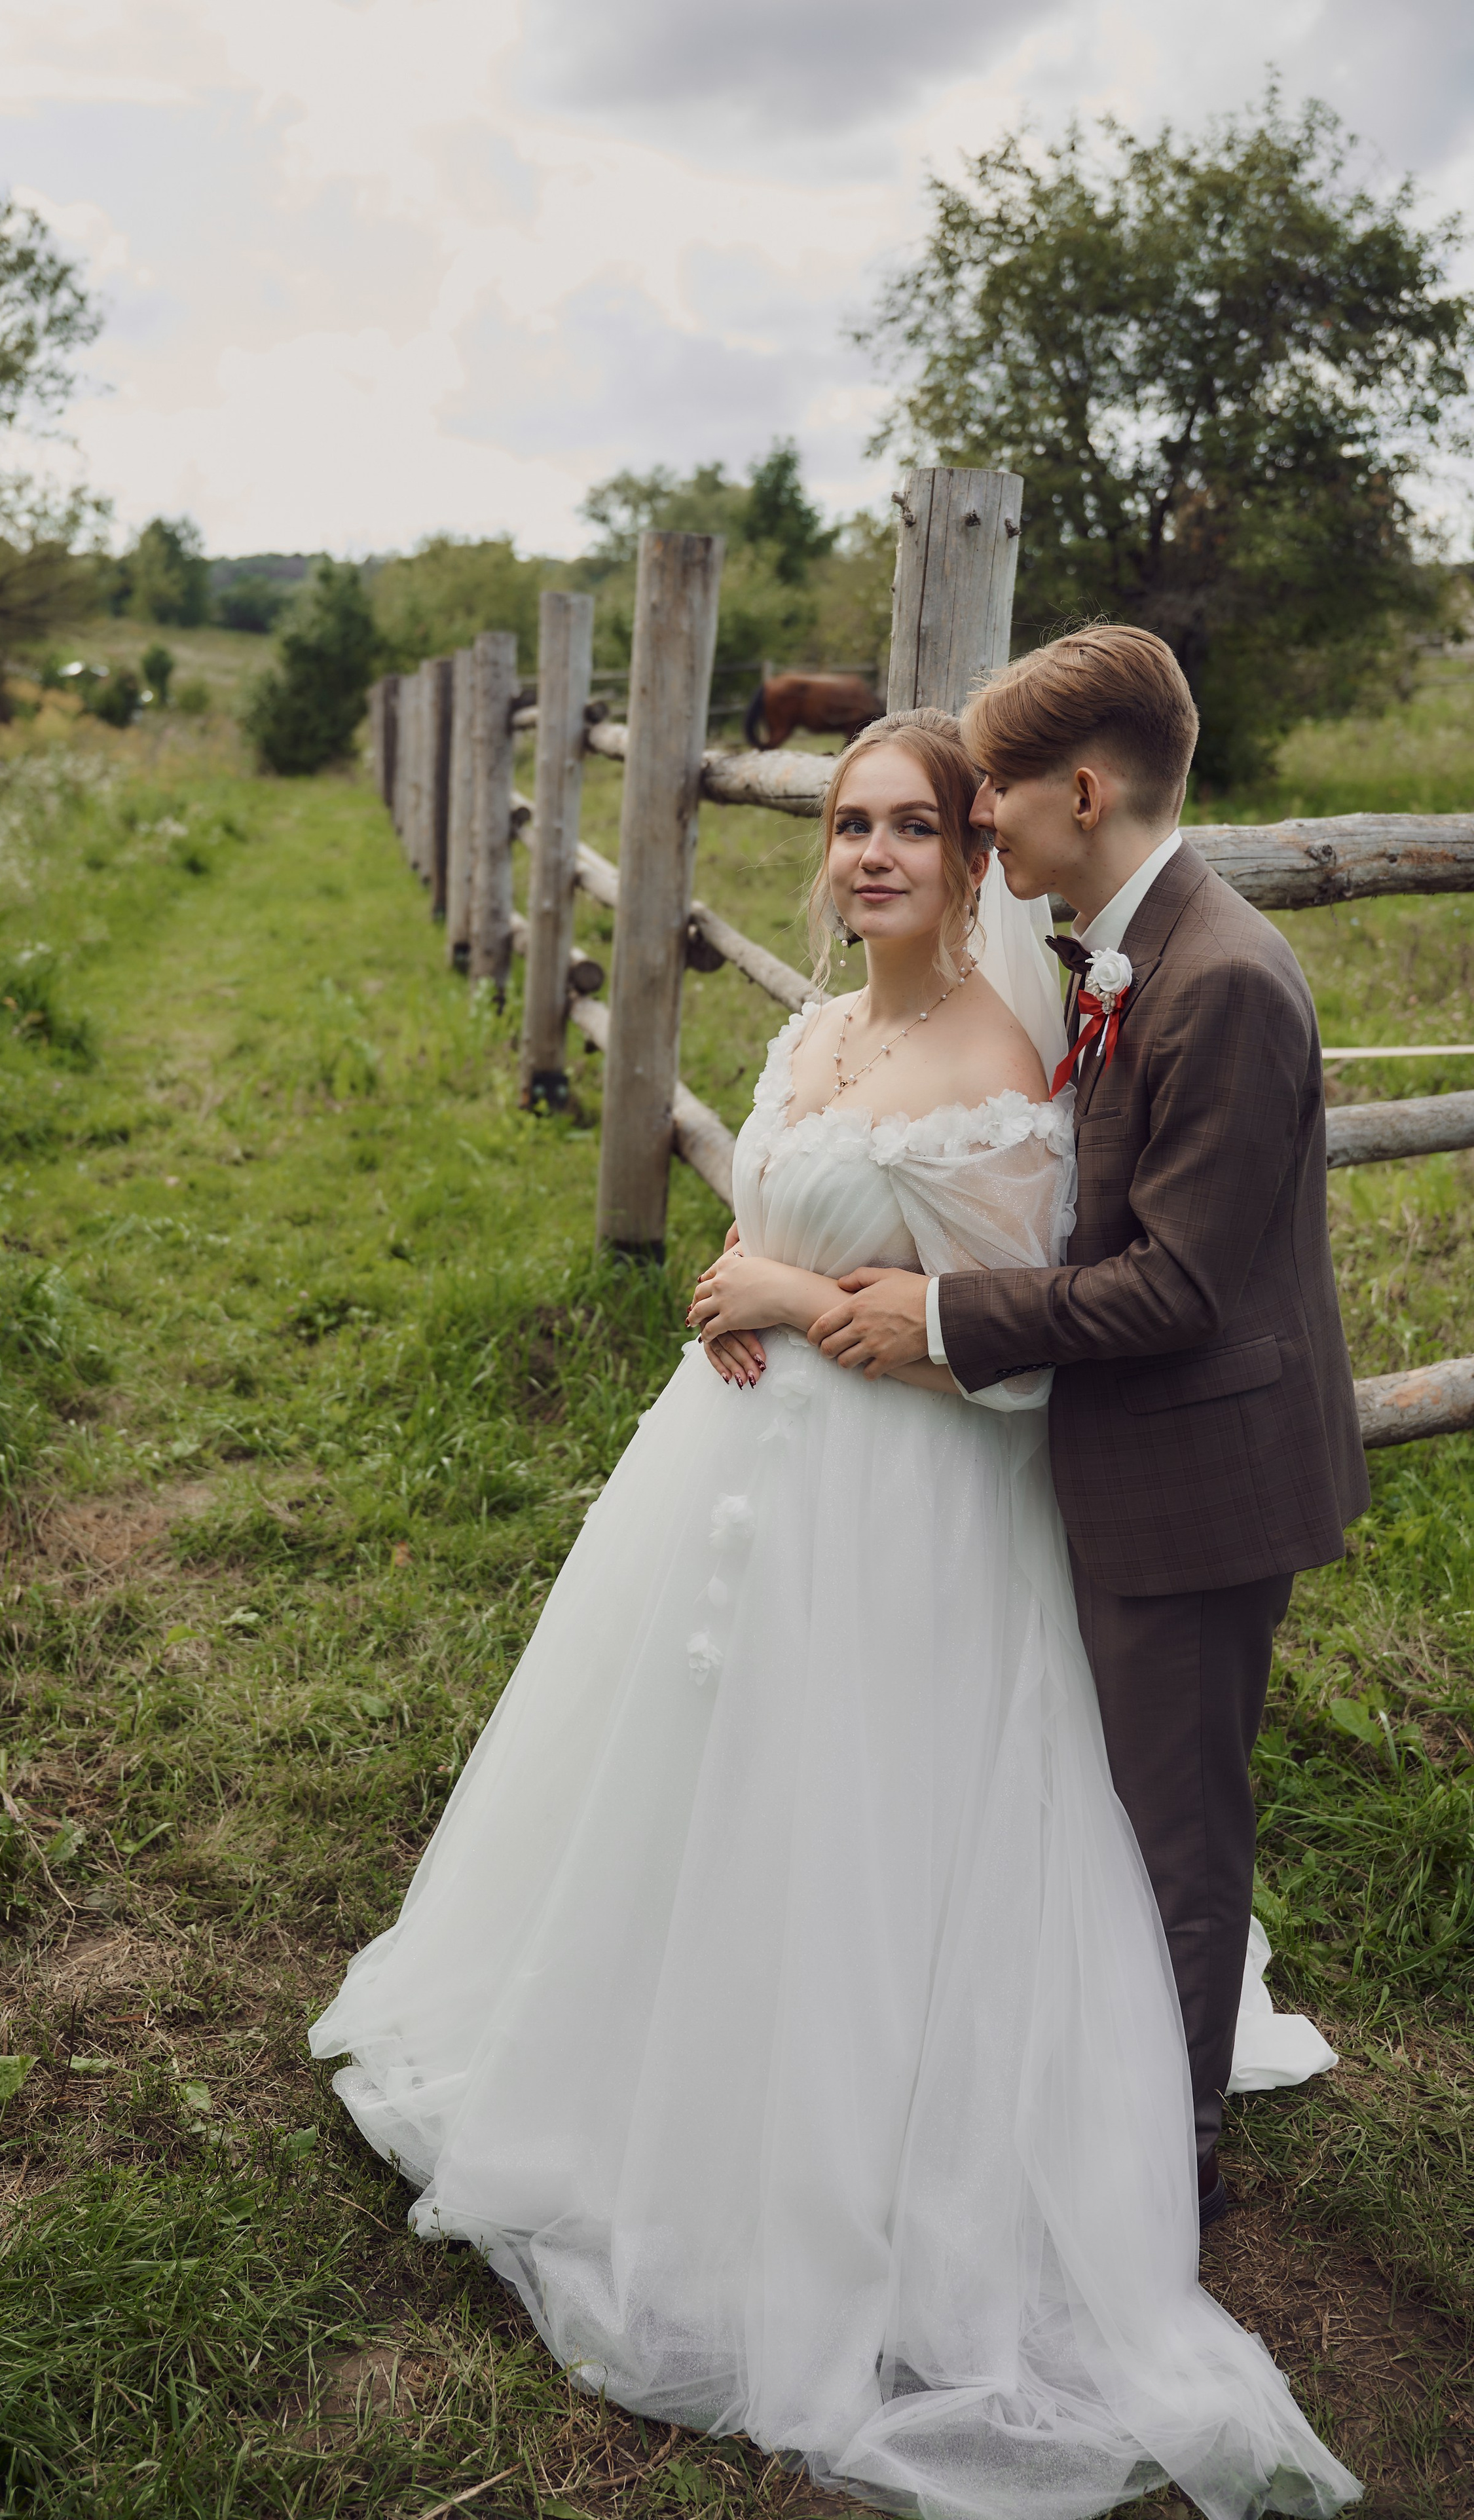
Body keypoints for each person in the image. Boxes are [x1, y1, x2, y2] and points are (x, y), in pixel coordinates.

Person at [310, 709, 1358, 2517]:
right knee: (687, 1790)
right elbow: (786, 1207)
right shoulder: (813, 1026)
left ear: (976, 856)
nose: (870, 853)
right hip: (729, 1477)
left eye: (913, 827)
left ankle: (879, 2147)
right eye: (851, 824)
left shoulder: (1004, 1060)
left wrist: (796, 1301)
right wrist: (740, 1271)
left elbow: (1017, 1353)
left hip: (903, 1508)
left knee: (856, 1822)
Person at [808, 633, 1368, 2232]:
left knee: (1171, 1823)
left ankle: (1171, 2154)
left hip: (1200, 1479)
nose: (975, 813)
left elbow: (1178, 1287)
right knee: (1117, 1807)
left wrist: (937, 1315)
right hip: (1133, 1455)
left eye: (987, 787)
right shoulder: (1121, 946)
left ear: (1079, 789)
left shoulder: (1223, 977)